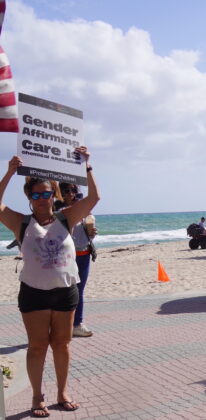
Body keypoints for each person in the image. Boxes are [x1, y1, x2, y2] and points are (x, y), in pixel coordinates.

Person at [0, 147, 99, 417]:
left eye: (46, 193)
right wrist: (9, 171)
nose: (42, 199)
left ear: (53, 195)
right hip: (34, 294)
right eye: (36, 194)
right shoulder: (21, 222)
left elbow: (94, 198)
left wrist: (86, 167)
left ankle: (62, 392)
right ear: (30, 198)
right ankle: (36, 396)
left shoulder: (66, 218)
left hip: (66, 292)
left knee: (62, 345)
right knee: (36, 346)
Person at [55, 183, 98, 337]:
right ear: (59, 193)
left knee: (79, 291)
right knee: (64, 290)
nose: (70, 194)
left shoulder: (84, 209)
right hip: (66, 257)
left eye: (73, 190)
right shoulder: (57, 211)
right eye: (66, 191)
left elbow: (87, 235)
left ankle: (77, 324)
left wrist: (92, 232)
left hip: (84, 254)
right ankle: (63, 325)